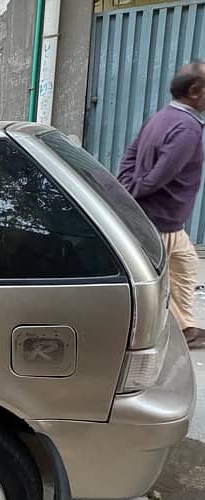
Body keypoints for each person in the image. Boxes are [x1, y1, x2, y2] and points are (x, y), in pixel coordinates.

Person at [118, 61, 205, 349]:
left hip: (168, 222)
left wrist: (125, 187)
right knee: (154, 281)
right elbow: (158, 177)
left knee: (186, 265)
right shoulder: (187, 129)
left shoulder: (161, 117)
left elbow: (129, 156)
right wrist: (130, 193)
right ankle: (154, 332)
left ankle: (187, 326)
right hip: (161, 220)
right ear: (195, 91)